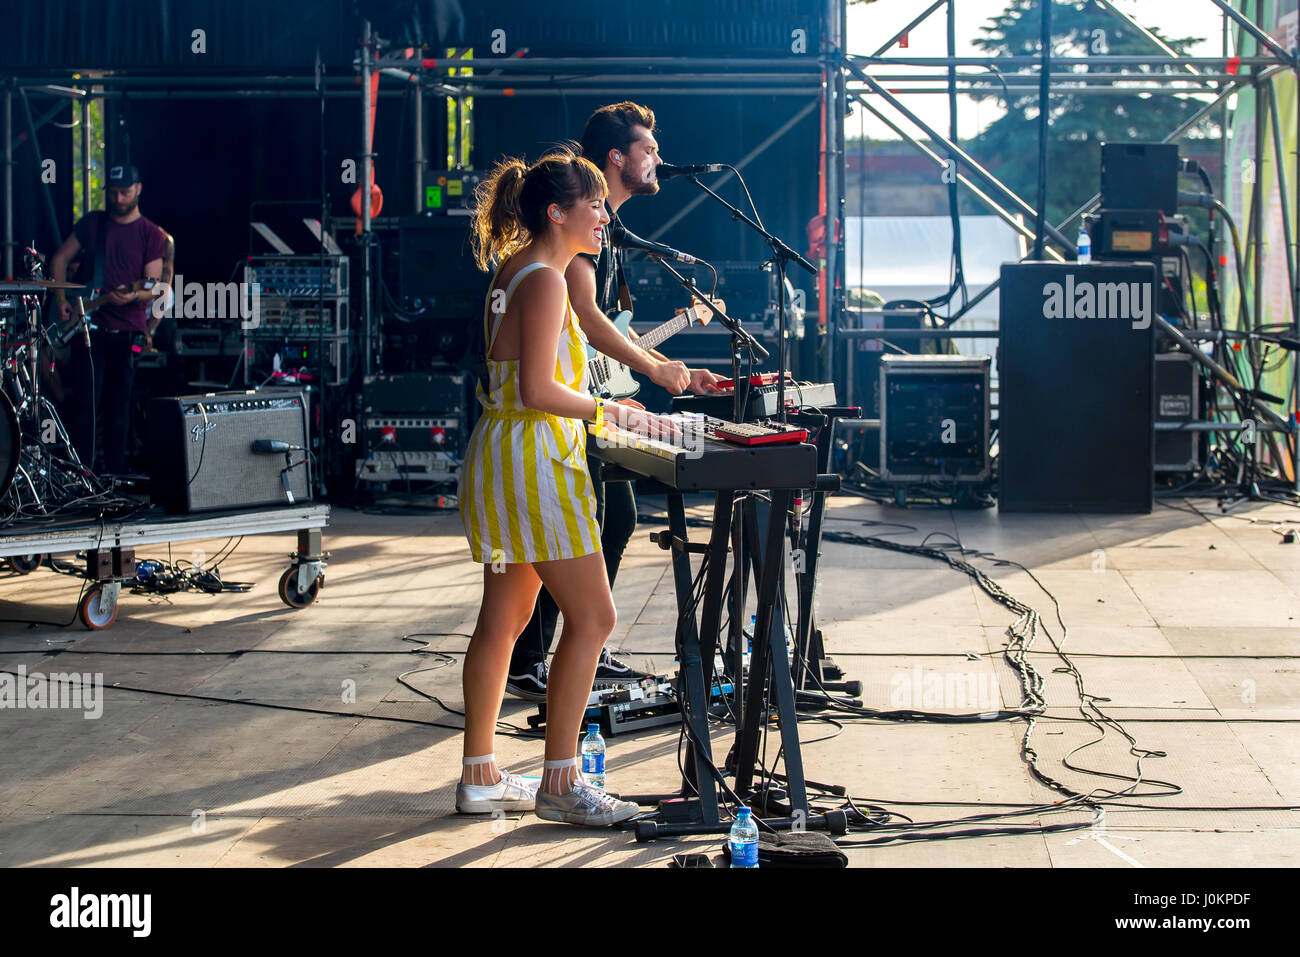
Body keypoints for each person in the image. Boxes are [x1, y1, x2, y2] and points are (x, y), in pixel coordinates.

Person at [455, 145, 678, 826]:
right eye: (595, 207)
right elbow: (538, 388)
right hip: (533, 461)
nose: (605, 216)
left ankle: (480, 774)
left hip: (502, 454)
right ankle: (560, 781)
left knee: (506, 617)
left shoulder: (515, 269)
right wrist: (610, 409)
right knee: (595, 617)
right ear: (559, 212)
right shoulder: (548, 280)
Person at [505, 102, 724, 701]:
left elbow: (603, 323)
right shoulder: (576, 233)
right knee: (597, 522)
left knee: (615, 515)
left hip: (571, 405)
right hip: (558, 415)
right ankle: (551, 654)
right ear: (616, 158)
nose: (658, 158)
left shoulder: (602, 229)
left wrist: (674, 365)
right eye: (649, 149)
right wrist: (652, 368)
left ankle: (570, 650)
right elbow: (590, 320)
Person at [49, 164, 167, 475]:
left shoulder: (150, 234)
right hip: (89, 330)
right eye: (113, 192)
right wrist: (61, 300)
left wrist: (132, 297)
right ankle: (81, 474)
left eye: (124, 192)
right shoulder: (93, 224)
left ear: (138, 189)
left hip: (127, 332)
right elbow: (59, 259)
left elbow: (153, 286)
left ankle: (113, 477)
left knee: (119, 409)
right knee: (86, 406)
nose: (118, 198)